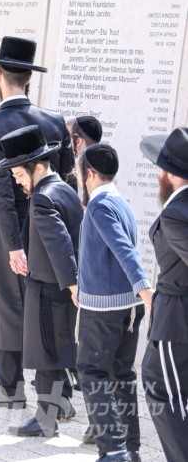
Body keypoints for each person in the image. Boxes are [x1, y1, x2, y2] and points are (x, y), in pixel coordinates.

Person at [0, 36, 74, 407]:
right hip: (50, 224)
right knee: (51, 308)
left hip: (12, 229)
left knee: (8, 308)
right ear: (29, 78)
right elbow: (66, 179)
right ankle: (60, 393)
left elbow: (0, 193)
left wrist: (13, 245)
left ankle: (11, 389)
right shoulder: (54, 121)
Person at [0, 125, 82, 438]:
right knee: (55, 354)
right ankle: (55, 410)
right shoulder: (65, 189)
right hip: (59, 289)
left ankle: (46, 421)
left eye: (20, 175)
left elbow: (59, 244)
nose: (18, 183)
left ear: (37, 167)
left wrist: (72, 285)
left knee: (46, 358)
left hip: (49, 290)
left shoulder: (43, 198)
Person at [74, 144, 151, 462]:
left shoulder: (99, 206)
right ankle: (130, 450)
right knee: (122, 375)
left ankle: (114, 450)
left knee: (92, 373)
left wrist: (145, 287)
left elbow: (123, 250)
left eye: (79, 170)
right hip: (127, 307)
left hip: (104, 309)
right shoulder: (121, 201)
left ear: (90, 173)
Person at [139, 127, 188, 462]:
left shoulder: (175, 213)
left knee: (165, 393)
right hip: (173, 311)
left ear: (169, 173)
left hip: (177, 318)